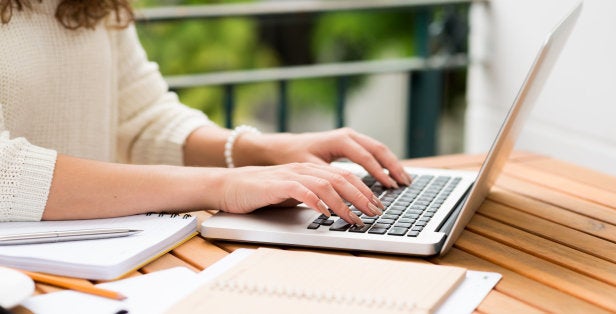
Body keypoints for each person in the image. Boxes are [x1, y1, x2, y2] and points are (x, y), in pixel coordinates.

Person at [0, 0, 411, 226]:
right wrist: (224, 185)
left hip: (90, 251)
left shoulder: (94, 4)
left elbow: (144, 118)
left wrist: (266, 151)